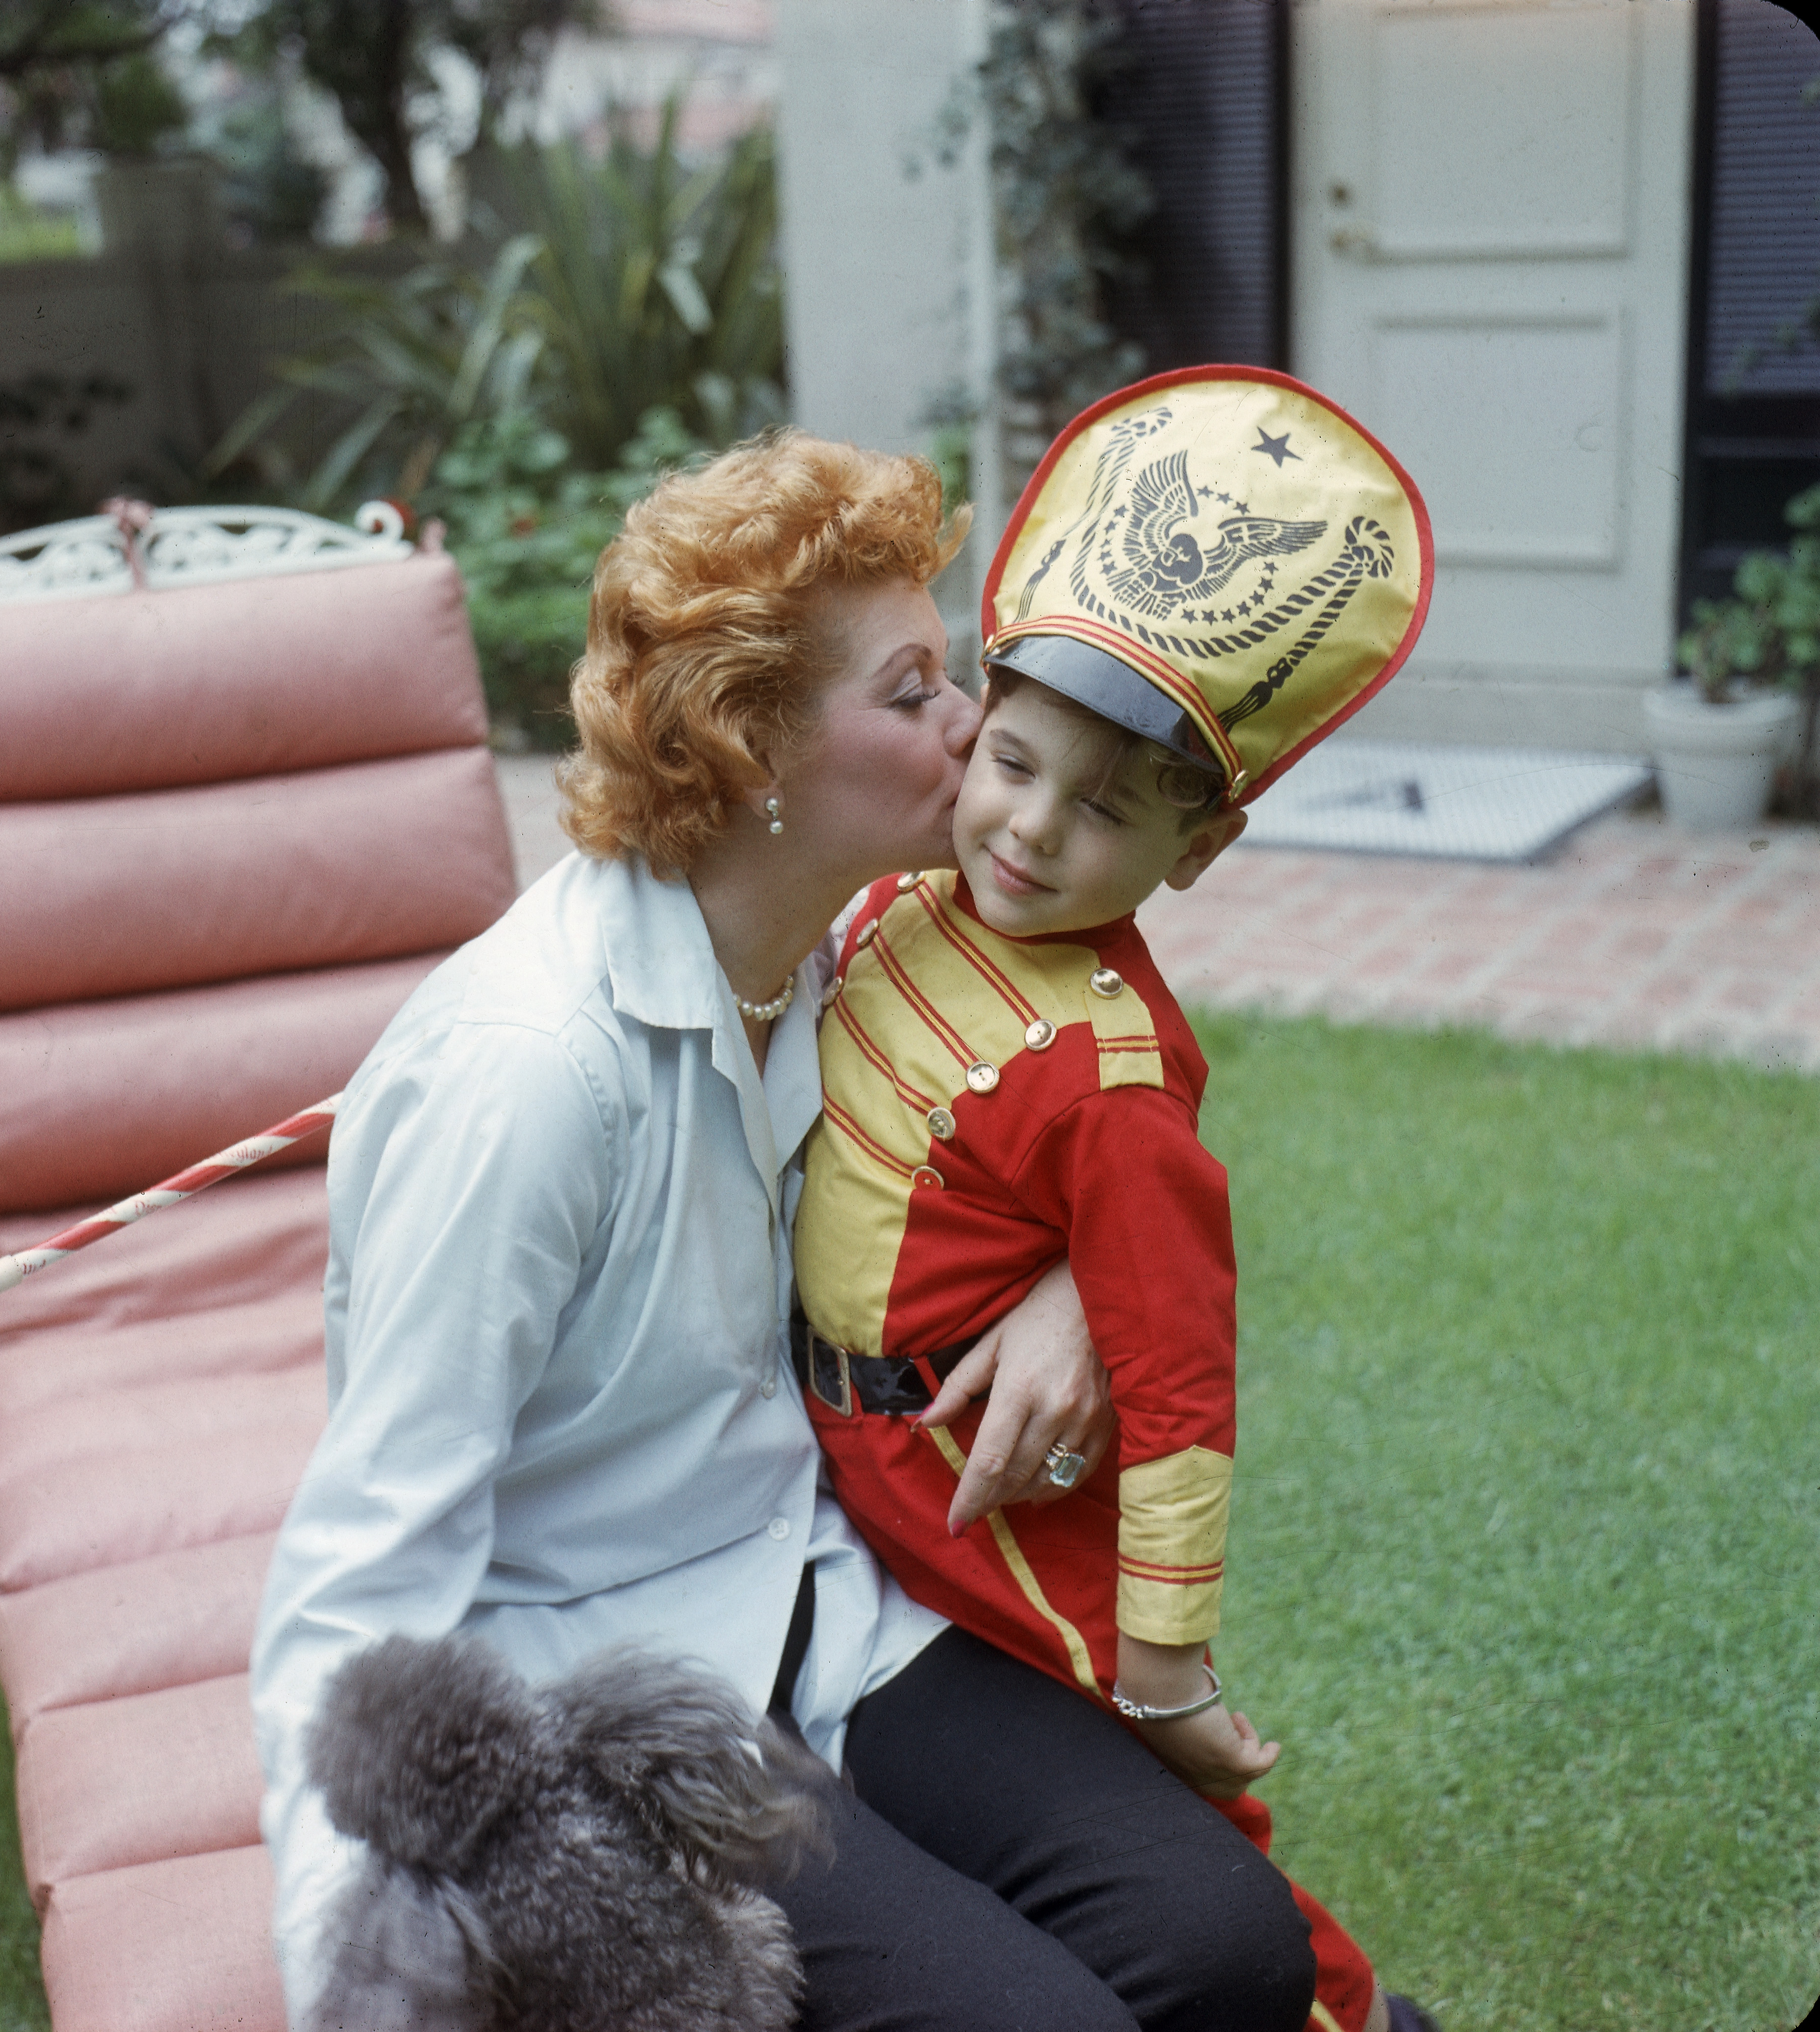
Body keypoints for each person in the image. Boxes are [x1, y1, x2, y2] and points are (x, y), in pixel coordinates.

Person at [251, 428, 1320, 2031]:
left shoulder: (847, 959)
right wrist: (356, 1971)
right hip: (614, 1692)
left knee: (1229, 1948)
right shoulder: (530, 1079)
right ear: (751, 749)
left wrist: (1073, 1286)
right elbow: (359, 1571)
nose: (976, 729)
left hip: (823, 1597)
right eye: (912, 694)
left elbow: (1097, 1130)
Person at [790, 367, 1438, 2032]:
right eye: (1011, 763)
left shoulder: (1111, 1073)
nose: (1029, 831)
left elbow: (1175, 1378)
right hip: (842, 1466)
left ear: (1197, 850)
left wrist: (1164, 1658)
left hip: (986, 1500)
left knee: (1158, 1798)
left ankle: (1347, 2018)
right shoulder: (905, 897)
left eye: (1107, 812)